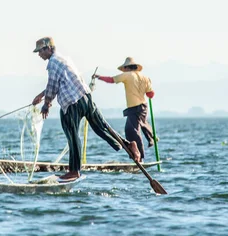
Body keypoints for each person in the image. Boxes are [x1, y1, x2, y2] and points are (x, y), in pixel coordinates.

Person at [31, 36, 139, 181]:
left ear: (48, 48)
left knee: (72, 135)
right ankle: (128, 144)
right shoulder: (64, 59)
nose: (39, 54)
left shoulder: (53, 62)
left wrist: (46, 104)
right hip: (86, 98)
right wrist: (42, 95)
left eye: (40, 51)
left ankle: (74, 170)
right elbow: (59, 81)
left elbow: (53, 85)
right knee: (102, 127)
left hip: (72, 103)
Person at [94, 57, 155, 161]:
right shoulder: (145, 77)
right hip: (143, 106)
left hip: (134, 107)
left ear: (127, 67)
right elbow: (150, 94)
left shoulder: (127, 75)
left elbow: (112, 80)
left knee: (131, 131)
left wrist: (99, 77)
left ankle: (139, 156)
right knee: (142, 124)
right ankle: (151, 137)